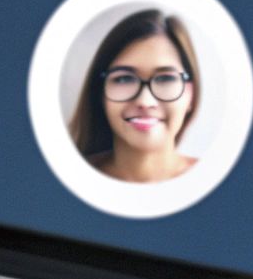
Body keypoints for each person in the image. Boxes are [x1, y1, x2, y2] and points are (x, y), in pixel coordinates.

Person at [68, 9, 200, 183]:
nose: (145, 101)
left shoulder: (216, 177)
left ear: (190, 95)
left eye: (166, 78)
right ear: (100, 94)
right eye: (124, 79)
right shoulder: (68, 178)